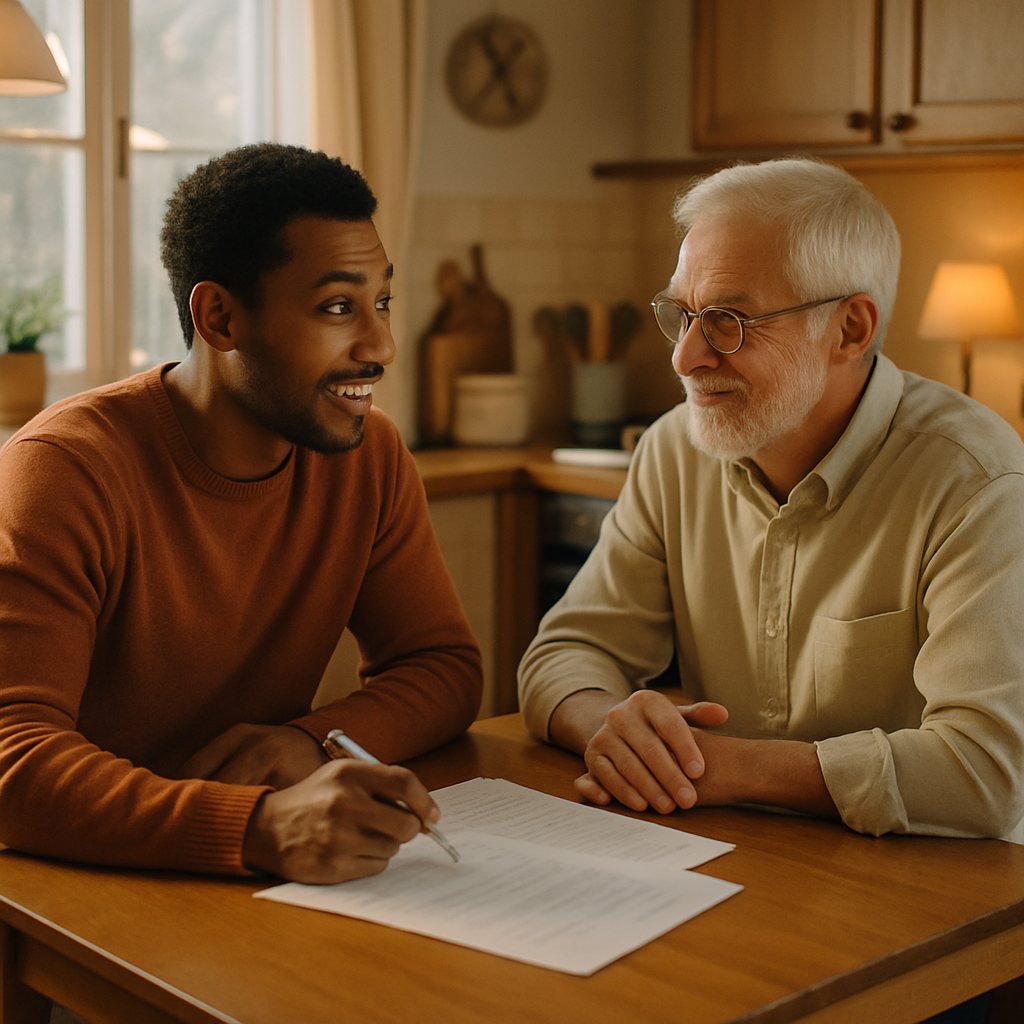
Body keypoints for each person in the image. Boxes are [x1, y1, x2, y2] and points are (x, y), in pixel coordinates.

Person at [0, 143, 483, 885]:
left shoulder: (368, 456)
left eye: (381, 301)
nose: (382, 345)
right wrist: (258, 828)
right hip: (72, 886)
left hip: (238, 887)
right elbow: (13, 756)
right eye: (336, 307)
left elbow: (443, 667)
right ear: (219, 317)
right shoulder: (65, 469)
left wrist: (313, 742)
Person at [518, 158, 1024, 849]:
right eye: (684, 315)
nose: (686, 357)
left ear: (850, 329)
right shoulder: (671, 450)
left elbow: (985, 773)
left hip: (921, 883)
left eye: (728, 319)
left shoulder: (977, 482)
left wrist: (731, 768)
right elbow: (565, 651)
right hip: (724, 854)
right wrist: (613, 726)